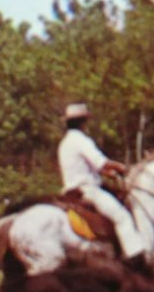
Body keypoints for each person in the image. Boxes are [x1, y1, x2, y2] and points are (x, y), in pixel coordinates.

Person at [57, 103, 140, 257]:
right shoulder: (82, 140)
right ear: (83, 122)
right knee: (123, 218)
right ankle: (136, 258)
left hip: (69, 190)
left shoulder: (65, 143)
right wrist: (123, 168)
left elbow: (94, 167)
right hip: (88, 190)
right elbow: (101, 162)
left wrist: (109, 173)